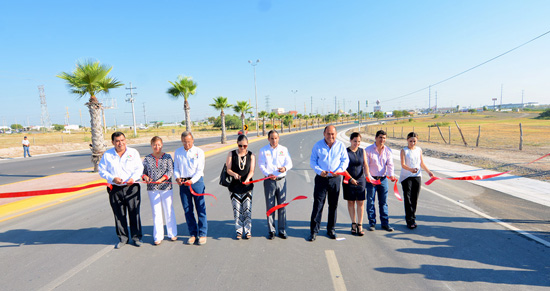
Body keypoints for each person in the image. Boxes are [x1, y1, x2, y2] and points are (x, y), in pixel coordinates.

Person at [98, 132, 144, 249]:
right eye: (117, 141)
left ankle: (136, 237)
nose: (120, 143)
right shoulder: (108, 155)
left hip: (131, 187)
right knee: (119, 214)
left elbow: (139, 168)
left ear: (125, 140)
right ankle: (123, 238)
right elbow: (102, 170)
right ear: (113, 142)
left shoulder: (133, 153)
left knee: (134, 213)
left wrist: (133, 178)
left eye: (122, 140)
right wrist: (112, 178)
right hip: (115, 189)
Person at [308, 125, 349, 241]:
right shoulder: (318, 145)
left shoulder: (340, 146)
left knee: (333, 205)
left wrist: (339, 171)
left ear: (336, 134)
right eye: (328, 134)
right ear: (324, 134)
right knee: (318, 205)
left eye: (333, 134)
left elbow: (345, 160)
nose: (330, 136)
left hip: (335, 179)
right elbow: (313, 161)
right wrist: (320, 171)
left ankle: (331, 229)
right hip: (321, 179)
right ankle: (314, 231)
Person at [142, 136, 177, 245]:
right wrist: (146, 178)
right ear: (151, 145)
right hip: (152, 189)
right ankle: (158, 236)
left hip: (166, 188)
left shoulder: (167, 157)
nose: (157, 147)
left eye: (159, 144)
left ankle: (172, 233)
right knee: (156, 212)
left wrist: (161, 180)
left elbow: (170, 171)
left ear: (162, 145)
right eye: (154, 145)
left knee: (168, 210)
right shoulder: (147, 158)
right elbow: (143, 172)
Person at [174, 131, 208, 245]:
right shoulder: (178, 152)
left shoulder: (199, 152)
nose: (187, 144)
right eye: (184, 141)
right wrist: (177, 178)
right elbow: (176, 168)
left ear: (192, 140)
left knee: (200, 209)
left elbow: (199, 170)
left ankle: (202, 234)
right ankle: (193, 233)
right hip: (183, 183)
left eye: (189, 141)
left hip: (196, 182)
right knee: (188, 210)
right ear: (181, 141)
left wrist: (192, 181)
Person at [258, 130, 293, 240]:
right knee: (270, 206)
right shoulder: (263, 150)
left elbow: (289, 163)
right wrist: (268, 174)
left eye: (276, 138)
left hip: (281, 180)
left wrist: (285, 168)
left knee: (282, 206)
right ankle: (271, 230)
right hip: (269, 181)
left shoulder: (284, 149)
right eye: (272, 138)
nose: (274, 140)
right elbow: (261, 165)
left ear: (279, 138)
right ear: (268, 139)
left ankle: (282, 230)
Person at [399, 132, 434, 229]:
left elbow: (421, 163)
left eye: (414, 141)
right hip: (406, 177)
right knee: (408, 199)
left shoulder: (419, 150)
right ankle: (409, 220)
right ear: (407, 140)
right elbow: (402, 164)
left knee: (414, 199)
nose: (412, 143)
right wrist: (411, 169)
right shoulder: (404, 151)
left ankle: (413, 218)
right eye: (410, 141)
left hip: (417, 177)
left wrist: (429, 172)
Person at [365, 130, 396, 232]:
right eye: (380, 137)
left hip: (382, 180)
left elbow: (390, 164)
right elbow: (366, 166)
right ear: (376, 138)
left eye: (384, 138)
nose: (382, 140)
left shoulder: (388, 150)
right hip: (371, 180)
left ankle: (385, 223)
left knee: (383, 202)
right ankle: (372, 223)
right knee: (370, 201)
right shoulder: (368, 150)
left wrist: (391, 175)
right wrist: (369, 177)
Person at [226, 135, 255, 240]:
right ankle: (239, 231)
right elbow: (228, 169)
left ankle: (247, 230)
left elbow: (251, 171)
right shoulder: (231, 154)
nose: (242, 148)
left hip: (247, 186)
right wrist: (233, 174)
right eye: (240, 145)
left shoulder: (251, 155)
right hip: (234, 187)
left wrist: (248, 179)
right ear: (237, 144)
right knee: (237, 209)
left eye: (245, 145)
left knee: (247, 209)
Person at [343, 132, 373, 236]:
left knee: (360, 202)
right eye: (355, 141)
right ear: (350, 140)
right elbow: (343, 168)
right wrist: (350, 178)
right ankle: (353, 223)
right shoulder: (345, 152)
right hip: (348, 179)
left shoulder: (362, 151)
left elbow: (365, 165)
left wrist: (367, 175)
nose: (357, 143)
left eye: (359, 141)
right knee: (351, 202)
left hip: (361, 180)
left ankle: (360, 224)